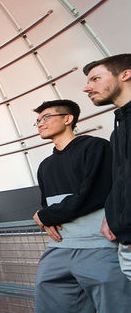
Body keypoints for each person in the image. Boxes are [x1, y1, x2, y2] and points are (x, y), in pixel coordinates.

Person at [31, 99, 131, 313]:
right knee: (48, 300)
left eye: (46, 117)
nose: (40, 123)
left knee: (115, 305)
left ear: (68, 119)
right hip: (58, 248)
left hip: (98, 246)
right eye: (37, 120)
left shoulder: (96, 146)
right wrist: (45, 216)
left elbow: (93, 194)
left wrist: (45, 215)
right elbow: (46, 206)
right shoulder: (45, 166)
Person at [83, 53, 131, 280]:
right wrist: (112, 214)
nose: (87, 87)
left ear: (125, 74)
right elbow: (121, 180)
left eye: (95, 79)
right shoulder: (118, 130)